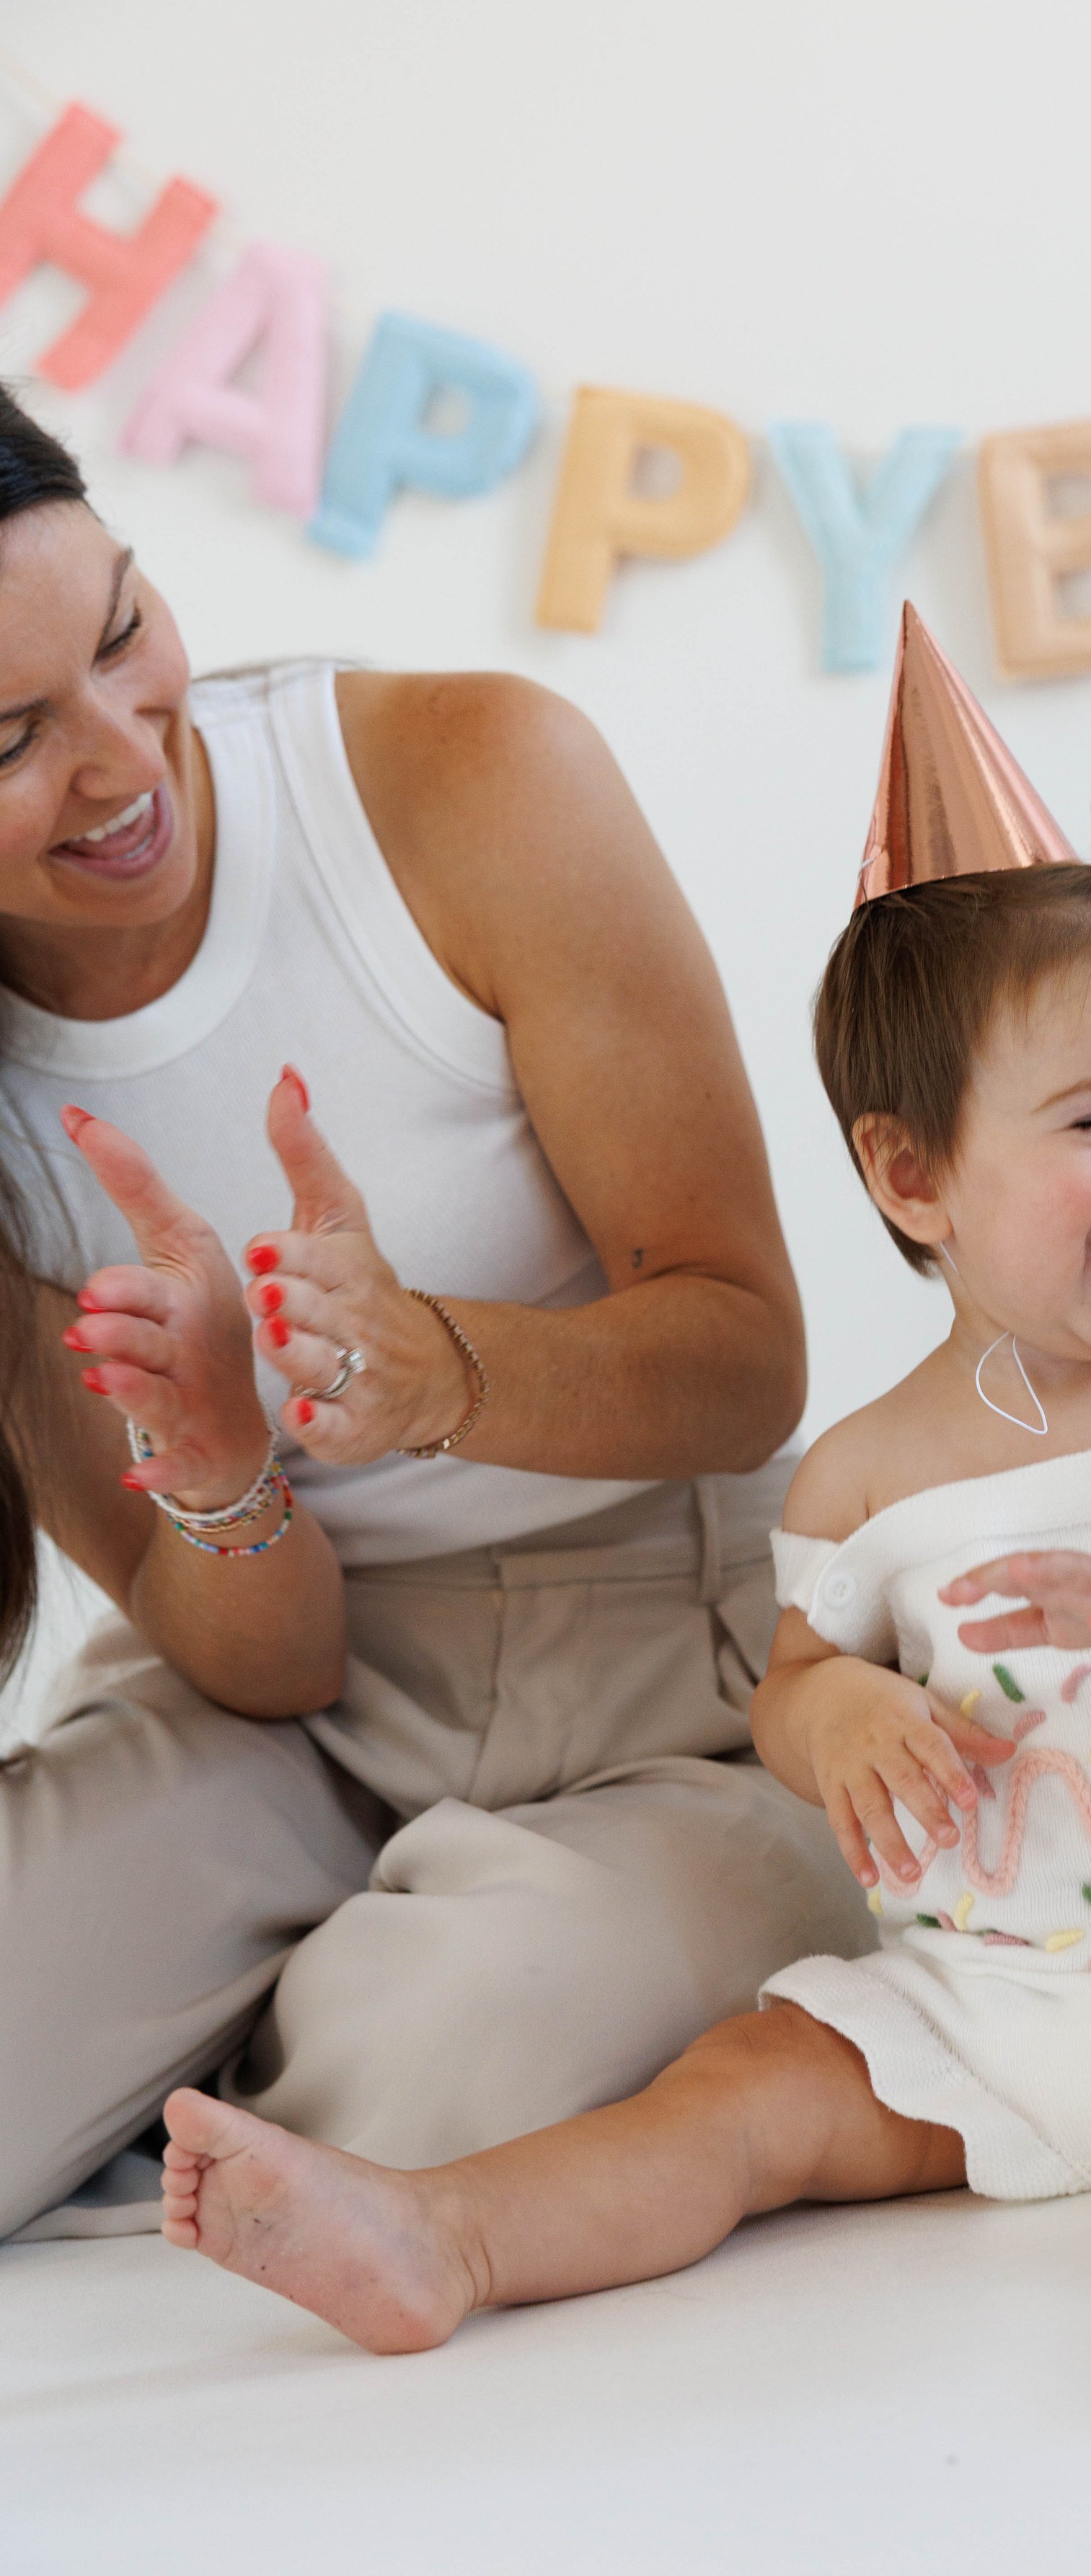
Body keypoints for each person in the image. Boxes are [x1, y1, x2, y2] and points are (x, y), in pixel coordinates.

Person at [154, 610, 1091, 2351]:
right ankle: (450, 2239)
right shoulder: (862, 1474)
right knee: (743, 2090)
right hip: (976, 1998)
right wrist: (841, 1724)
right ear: (912, 1171)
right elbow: (791, 1688)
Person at [0, 386, 867, 2245]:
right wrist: (227, 1468)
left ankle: (296, 2019)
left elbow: (741, 1357)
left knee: (429, 2074)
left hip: (670, 1649)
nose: (119, 761)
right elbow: (266, 1669)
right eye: (11, 736)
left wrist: (437, 1373)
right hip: (286, 1709)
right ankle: (245, 2006)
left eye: (125, 631)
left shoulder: (462, 779)